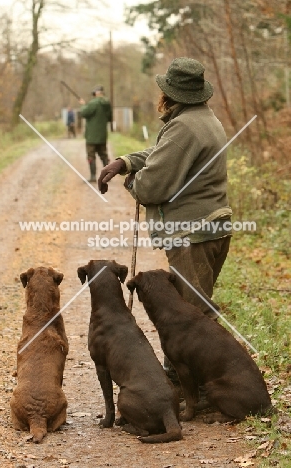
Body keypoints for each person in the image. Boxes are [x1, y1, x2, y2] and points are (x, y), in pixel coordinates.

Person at [98, 57, 233, 386]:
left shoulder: (185, 127)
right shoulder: (200, 118)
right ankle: (181, 379)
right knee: (193, 310)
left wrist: (133, 182)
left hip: (191, 234)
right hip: (209, 229)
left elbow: (152, 185)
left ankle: (206, 389)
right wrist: (125, 161)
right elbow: (163, 152)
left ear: (169, 94)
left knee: (193, 316)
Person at [79, 86, 112, 182]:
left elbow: (84, 113)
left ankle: (93, 176)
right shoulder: (107, 103)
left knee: (91, 156)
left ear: (96, 93)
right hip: (102, 135)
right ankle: (108, 176)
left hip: (91, 136)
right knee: (104, 155)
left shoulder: (93, 102)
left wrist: (83, 105)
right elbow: (109, 118)